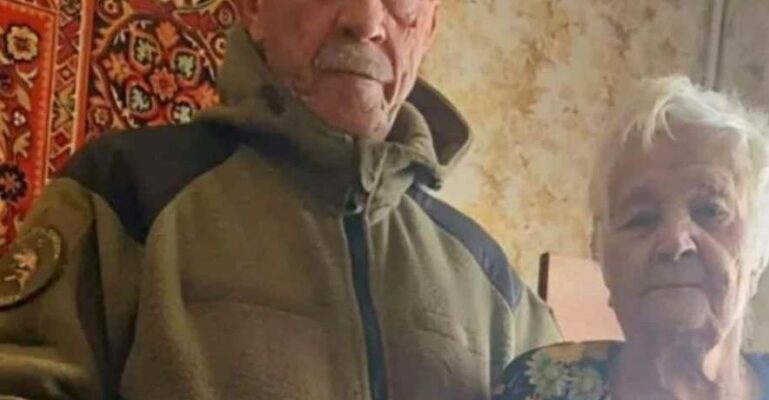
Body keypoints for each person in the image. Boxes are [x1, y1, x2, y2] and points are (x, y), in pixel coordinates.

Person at [0, 0, 562, 398]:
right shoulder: (125, 194)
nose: (366, 21)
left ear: (430, 28)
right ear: (253, 8)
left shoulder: (494, 284)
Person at [493, 76, 769, 400]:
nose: (674, 241)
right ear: (600, 256)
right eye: (641, 217)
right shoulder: (538, 386)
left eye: (710, 211)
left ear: (760, 249)